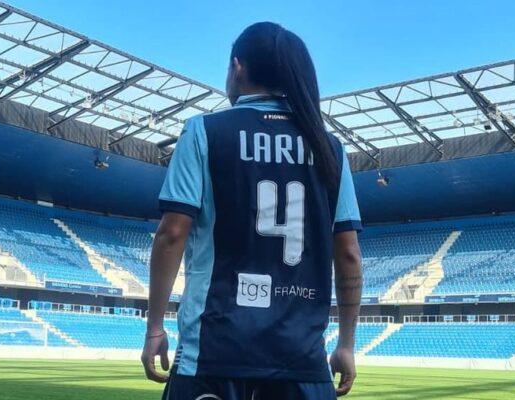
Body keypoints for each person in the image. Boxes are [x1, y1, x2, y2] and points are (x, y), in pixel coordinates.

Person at [141, 21, 363, 400]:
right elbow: (349, 254)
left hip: (213, 354)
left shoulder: (203, 131)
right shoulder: (330, 148)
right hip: (302, 363)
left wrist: (155, 329)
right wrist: (345, 343)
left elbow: (171, 233)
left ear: (237, 68)